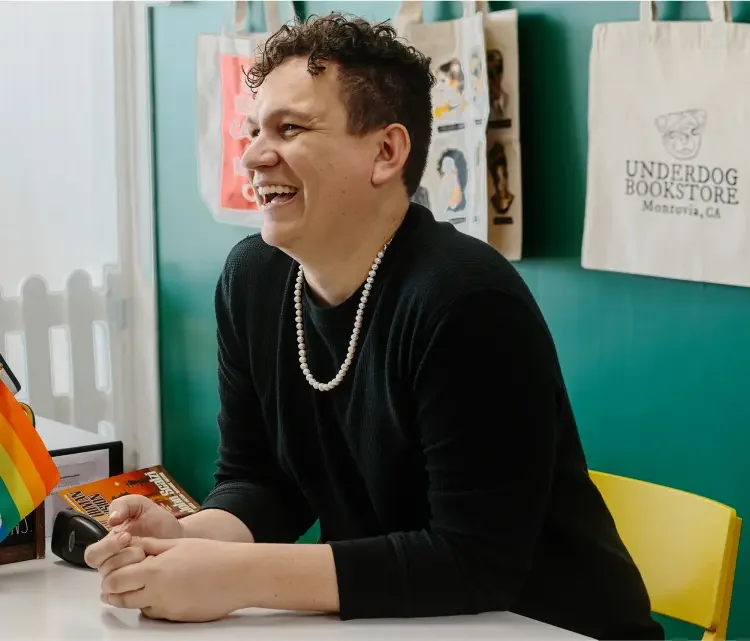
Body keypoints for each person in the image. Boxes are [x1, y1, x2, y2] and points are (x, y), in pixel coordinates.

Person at [83, 13, 664, 640]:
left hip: (547, 625)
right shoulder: (252, 279)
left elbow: (475, 562)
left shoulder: (466, 301)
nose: (252, 154)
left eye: (290, 128)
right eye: (251, 130)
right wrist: (188, 536)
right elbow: (261, 481)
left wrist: (238, 575)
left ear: (385, 152)